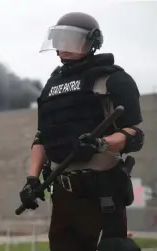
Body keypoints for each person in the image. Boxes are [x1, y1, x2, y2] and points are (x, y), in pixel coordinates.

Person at [19, 12, 144, 251]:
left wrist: (100, 144)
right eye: (60, 39)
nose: (63, 47)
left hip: (102, 191)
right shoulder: (51, 85)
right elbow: (42, 137)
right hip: (64, 196)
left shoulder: (114, 79)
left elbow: (134, 135)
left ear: (91, 42)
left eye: (71, 39)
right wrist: (32, 180)